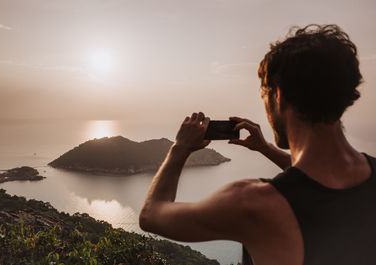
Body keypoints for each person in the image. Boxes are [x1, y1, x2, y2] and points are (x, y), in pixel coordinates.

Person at [139, 24, 376, 265]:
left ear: (279, 95)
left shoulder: (254, 202)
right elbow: (318, 185)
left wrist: (179, 148)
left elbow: (151, 215)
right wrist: (264, 148)